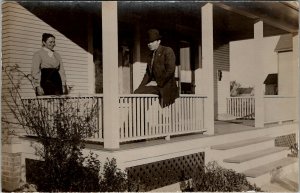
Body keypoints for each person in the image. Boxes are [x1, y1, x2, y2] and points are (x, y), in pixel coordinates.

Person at [134, 29, 179, 107]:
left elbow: (170, 71)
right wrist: (140, 87)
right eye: (148, 42)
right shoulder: (150, 56)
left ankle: (140, 117)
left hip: (165, 85)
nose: (149, 44)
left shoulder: (167, 51)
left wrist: (157, 82)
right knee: (137, 92)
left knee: (141, 94)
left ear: (159, 41)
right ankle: (140, 118)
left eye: (152, 42)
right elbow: (148, 74)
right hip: (155, 86)